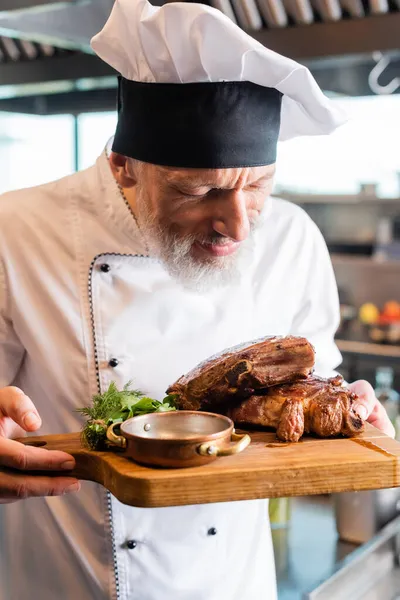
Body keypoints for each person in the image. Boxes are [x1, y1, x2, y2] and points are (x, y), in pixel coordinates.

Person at [0, 0, 394, 598]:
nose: (236, 225)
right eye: (202, 190)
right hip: (67, 580)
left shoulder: (291, 238)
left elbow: (316, 383)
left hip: (231, 583)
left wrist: (348, 413)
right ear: (124, 166)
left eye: (257, 185)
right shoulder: (17, 230)